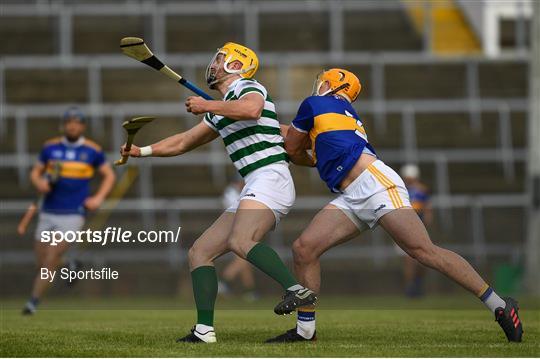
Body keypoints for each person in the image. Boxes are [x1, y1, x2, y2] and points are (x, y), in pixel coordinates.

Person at [265, 68, 523, 343]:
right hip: (352, 192)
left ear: (332, 85)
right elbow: (306, 151)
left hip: (375, 184)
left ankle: (499, 305)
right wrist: (293, 141)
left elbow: (292, 147)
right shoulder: (334, 114)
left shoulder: (315, 104)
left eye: (323, 81)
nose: (319, 85)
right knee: (304, 249)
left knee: (423, 251)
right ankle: (306, 331)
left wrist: (279, 136)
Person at [120, 42, 316, 343]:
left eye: (221, 59)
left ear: (236, 66)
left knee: (241, 240)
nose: (214, 64)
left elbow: (251, 109)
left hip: (271, 177)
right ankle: (204, 330)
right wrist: (141, 150)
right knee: (200, 252)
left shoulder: (250, 88)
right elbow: (184, 142)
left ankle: (295, 289)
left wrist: (208, 105)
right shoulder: (222, 110)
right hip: (255, 183)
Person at [22, 107, 115, 315]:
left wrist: (98, 198)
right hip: (48, 211)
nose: (73, 125)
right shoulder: (50, 148)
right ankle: (69, 264)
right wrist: (40, 183)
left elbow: (109, 176)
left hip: (74, 213)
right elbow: (35, 173)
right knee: (42, 262)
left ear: (83, 126)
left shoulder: (92, 150)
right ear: (63, 125)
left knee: (52, 256)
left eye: (77, 122)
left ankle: (32, 303)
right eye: (69, 122)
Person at [217, 177, 259, 301]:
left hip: (243, 227)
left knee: (244, 259)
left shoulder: (241, 191)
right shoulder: (231, 193)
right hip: (237, 229)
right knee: (243, 259)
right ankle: (222, 282)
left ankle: (250, 291)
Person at [397, 164, 432, 297]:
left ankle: (417, 282)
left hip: (418, 228)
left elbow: (427, 209)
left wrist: (426, 225)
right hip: (403, 228)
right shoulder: (401, 190)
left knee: (422, 260)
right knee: (408, 260)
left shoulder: (422, 191)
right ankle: (410, 287)